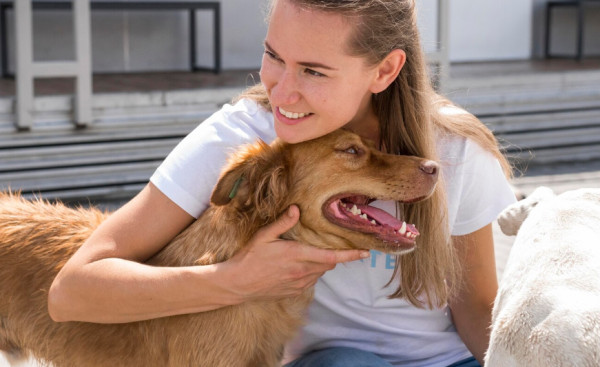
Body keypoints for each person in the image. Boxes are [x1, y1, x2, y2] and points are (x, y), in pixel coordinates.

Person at [48, 0, 517, 366]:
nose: (282, 91)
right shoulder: (241, 138)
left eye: (314, 70)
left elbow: (476, 307)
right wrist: (235, 282)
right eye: (274, 56)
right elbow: (72, 291)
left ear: (385, 70)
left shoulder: (453, 150)